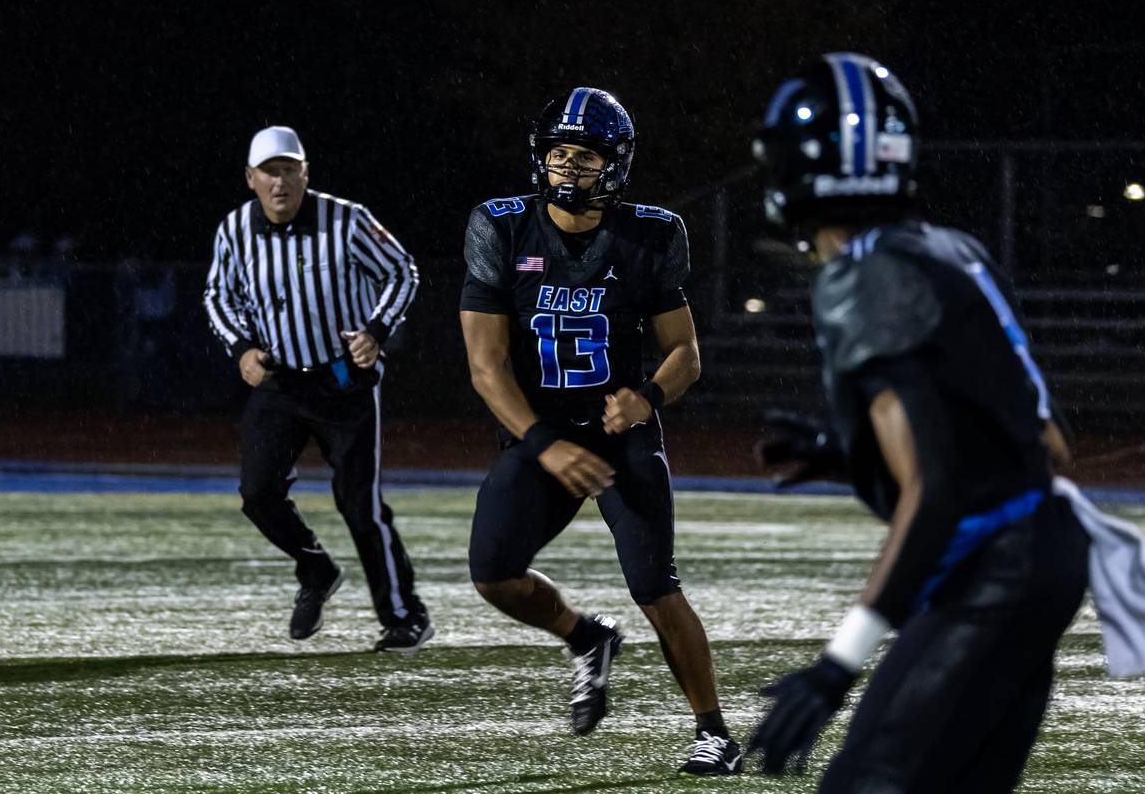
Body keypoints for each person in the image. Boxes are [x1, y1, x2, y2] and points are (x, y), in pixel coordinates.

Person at [744, 54, 1093, 790]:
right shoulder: (953, 249)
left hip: (993, 571)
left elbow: (933, 489)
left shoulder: (861, 276)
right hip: (1051, 555)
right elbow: (1050, 441)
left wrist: (838, 663)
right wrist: (852, 454)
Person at [459, 88, 741, 775]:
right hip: (539, 431)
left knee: (655, 584)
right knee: (493, 574)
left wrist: (647, 398)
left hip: (620, 436)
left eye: (585, 158)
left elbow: (686, 354)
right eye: (559, 154)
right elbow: (486, 367)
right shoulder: (501, 227)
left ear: (614, 166)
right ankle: (586, 638)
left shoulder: (649, 234)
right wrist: (542, 443)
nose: (568, 170)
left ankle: (715, 734)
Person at [203, 125, 432, 653]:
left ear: (305, 173)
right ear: (250, 179)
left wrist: (375, 332)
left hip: (342, 380)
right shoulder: (235, 229)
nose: (279, 182)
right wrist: (240, 347)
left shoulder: (347, 221)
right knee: (258, 494)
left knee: (360, 505)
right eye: (269, 171)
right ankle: (316, 569)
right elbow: (218, 294)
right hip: (280, 380)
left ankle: (404, 616)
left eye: (288, 169)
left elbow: (402, 272)